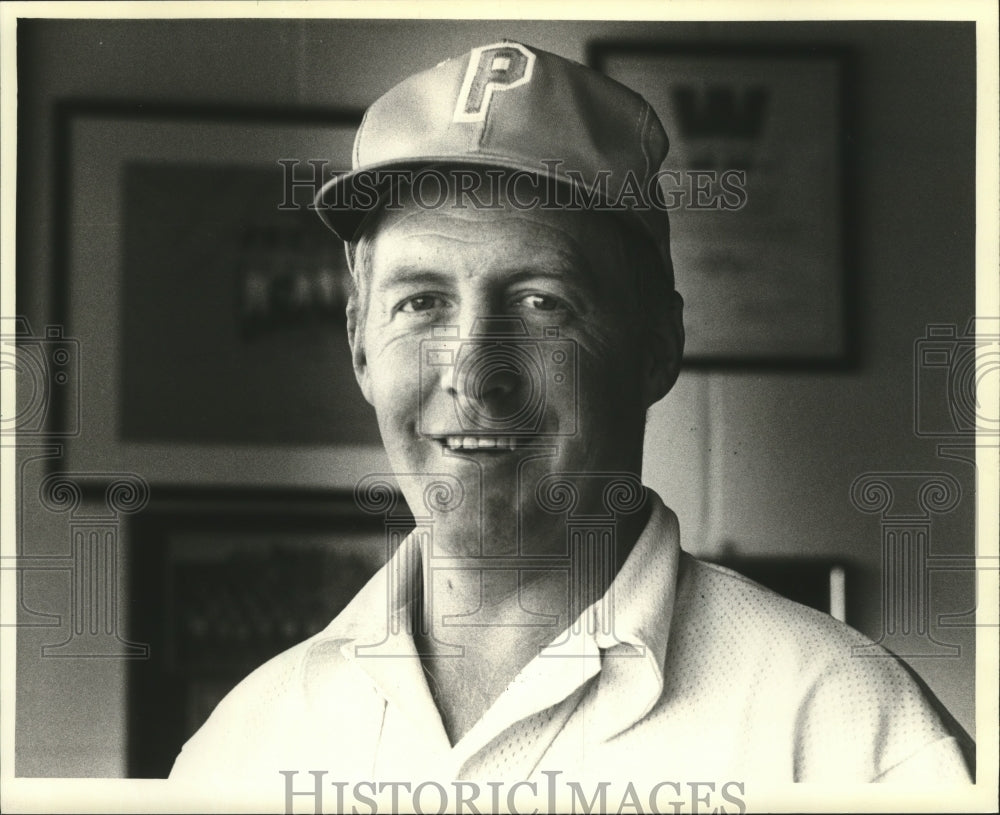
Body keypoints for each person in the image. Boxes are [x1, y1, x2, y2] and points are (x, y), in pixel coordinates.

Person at [168, 41, 972, 808]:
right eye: (421, 302)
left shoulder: (852, 738)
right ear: (359, 348)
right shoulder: (243, 750)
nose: (477, 373)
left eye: (540, 302)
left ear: (657, 345)